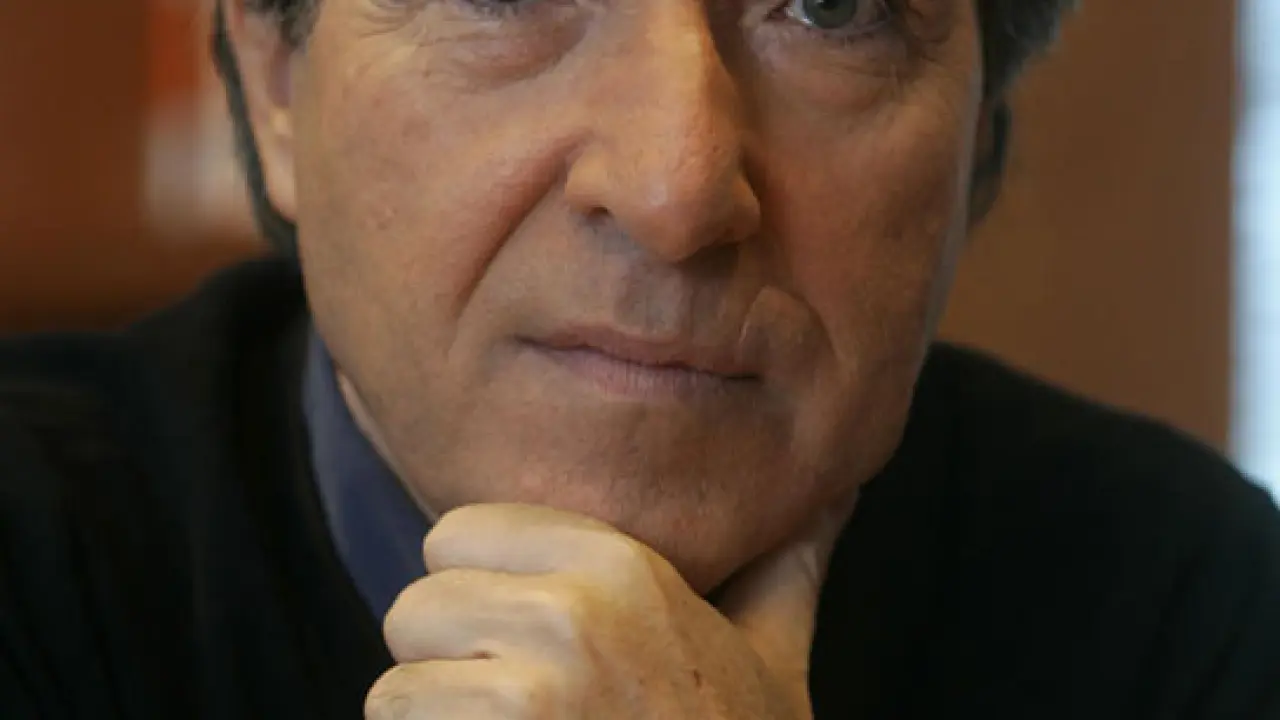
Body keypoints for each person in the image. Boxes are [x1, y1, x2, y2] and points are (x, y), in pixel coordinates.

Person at [1, 0, 1277, 717]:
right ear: (278, 79)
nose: (676, 188)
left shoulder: (1193, 620)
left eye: (832, 6)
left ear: (978, 135)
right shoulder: (34, 563)